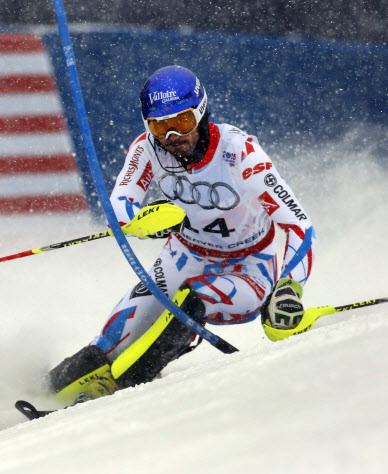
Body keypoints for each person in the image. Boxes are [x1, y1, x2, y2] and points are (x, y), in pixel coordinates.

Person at [47, 66, 316, 404]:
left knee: (190, 303)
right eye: (160, 126)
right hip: (184, 257)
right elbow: (120, 203)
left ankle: (119, 388)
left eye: (182, 122)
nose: (172, 136)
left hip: (248, 268)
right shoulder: (148, 149)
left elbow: (299, 225)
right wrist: (144, 221)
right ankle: (42, 391)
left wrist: (289, 287)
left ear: (201, 112)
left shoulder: (240, 152)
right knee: (112, 339)